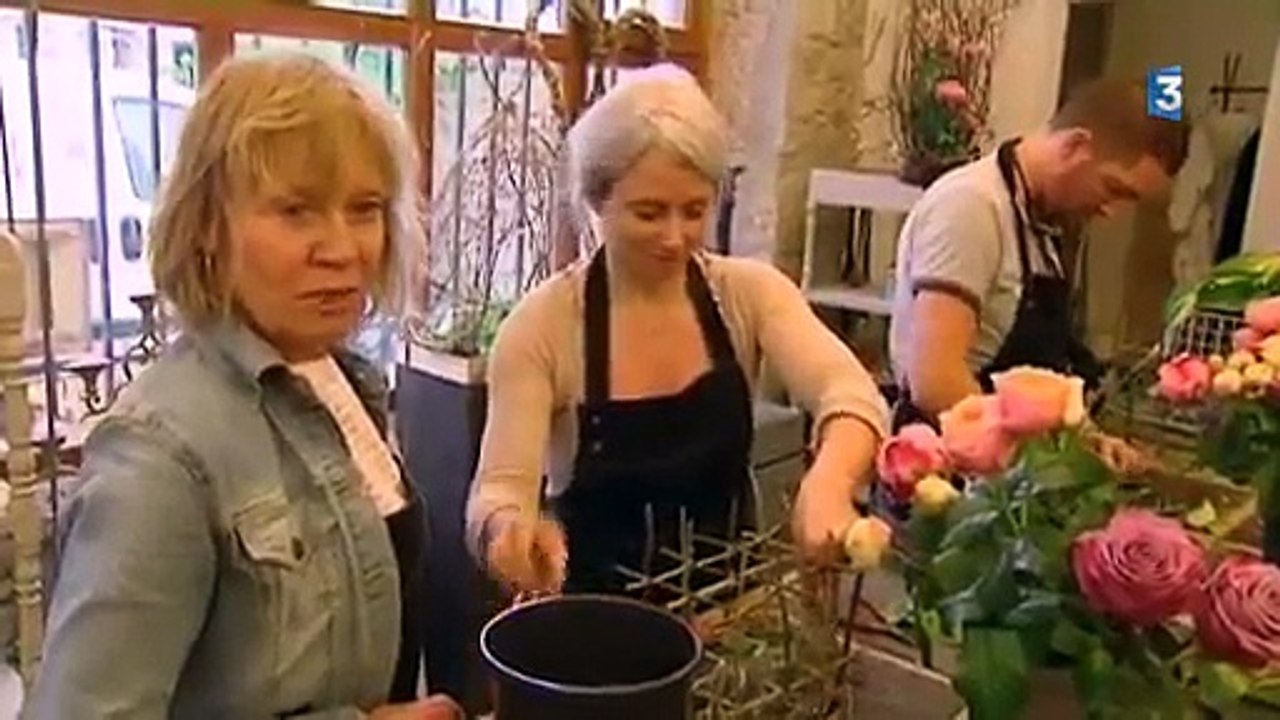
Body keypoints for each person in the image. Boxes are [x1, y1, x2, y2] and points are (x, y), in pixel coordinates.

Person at [27, 54, 458, 719]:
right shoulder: (161, 459)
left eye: (365, 208)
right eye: (296, 211)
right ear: (206, 226)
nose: (343, 249)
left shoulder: (343, 383)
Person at [465, 63, 890, 597]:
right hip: (596, 640)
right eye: (648, 213)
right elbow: (500, 488)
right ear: (597, 202)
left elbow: (850, 394)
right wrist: (508, 532)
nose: (674, 237)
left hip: (732, 626)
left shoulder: (748, 294)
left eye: (694, 211)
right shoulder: (542, 329)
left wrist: (830, 482)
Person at [888, 78, 1190, 467]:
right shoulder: (971, 208)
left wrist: (1089, 441)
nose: (1110, 212)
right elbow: (935, 382)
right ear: (1075, 145)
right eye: (1114, 188)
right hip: (946, 475)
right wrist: (1046, 464)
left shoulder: (1041, 222)